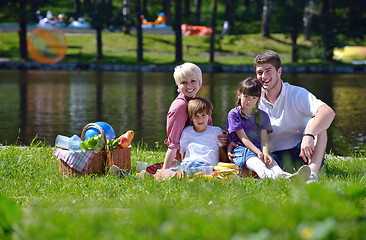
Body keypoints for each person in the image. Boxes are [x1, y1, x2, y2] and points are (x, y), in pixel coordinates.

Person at [254, 50, 336, 182]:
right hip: (271, 156)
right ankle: (280, 174)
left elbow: (328, 112)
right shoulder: (253, 98)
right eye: (259, 72)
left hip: (301, 153)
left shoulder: (297, 93)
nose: (264, 76)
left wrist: (308, 135)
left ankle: (312, 176)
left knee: (318, 123)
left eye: (268, 70)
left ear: (279, 71)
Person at [226, 77, 310, 180]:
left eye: (253, 98)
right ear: (239, 95)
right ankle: (275, 179)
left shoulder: (262, 116)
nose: (249, 101)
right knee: (259, 166)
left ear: (258, 98)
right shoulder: (234, 114)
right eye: (246, 96)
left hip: (259, 150)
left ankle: (287, 177)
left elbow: (264, 139)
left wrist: (265, 153)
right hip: (242, 150)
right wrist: (259, 153)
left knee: (272, 164)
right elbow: (244, 139)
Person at [162, 62, 227, 170]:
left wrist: (222, 136)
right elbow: (173, 144)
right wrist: (165, 171)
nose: (189, 86)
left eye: (193, 81)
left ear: (199, 81)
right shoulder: (180, 107)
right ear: (178, 84)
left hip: (205, 154)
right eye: (184, 82)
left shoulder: (198, 102)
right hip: (187, 159)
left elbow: (207, 131)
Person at [179, 97, 227, 175]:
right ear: (191, 117)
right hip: (188, 163)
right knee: (182, 169)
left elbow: (222, 153)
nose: (200, 119)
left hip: (206, 165)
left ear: (209, 115)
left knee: (198, 172)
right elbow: (183, 152)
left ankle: (189, 175)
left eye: (203, 115)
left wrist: (224, 166)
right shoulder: (187, 132)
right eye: (196, 116)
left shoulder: (216, 131)